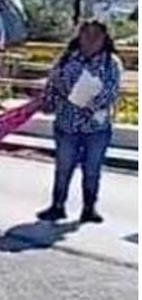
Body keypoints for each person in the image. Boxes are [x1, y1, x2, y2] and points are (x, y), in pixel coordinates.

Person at [37, 19, 122, 223]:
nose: (91, 40)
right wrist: (49, 103)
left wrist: (86, 104)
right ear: (79, 36)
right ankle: (57, 205)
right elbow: (53, 84)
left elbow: (110, 92)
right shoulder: (67, 59)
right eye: (87, 34)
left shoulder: (111, 63)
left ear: (105, 39)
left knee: (92, 169)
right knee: (63, 167)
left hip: (96, 126)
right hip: (66, 123)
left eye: (97, 35)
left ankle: (89, 208)